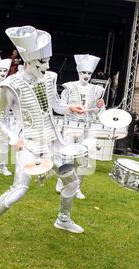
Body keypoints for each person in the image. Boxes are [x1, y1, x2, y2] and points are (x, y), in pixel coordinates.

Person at [0, 25, 85, 250]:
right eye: (42, 62)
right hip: (29, 143)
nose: (47, 66)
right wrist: (15, 139)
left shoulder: (50, 79)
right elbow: (0, 119)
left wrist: (70, 108)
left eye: (47, 61)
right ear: (28, 60)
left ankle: (63, 219)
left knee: (71, 181)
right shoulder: (10, 85)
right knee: (18, 191)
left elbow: (54, 106)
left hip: (52, 142)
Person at [55, 54, 105, 199]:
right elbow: (60, 105)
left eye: (89, 73)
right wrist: (70, 108)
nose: (86, 75)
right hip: (70, 126)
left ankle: (77, 188)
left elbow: (99, 111)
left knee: (84, 159)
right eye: (84, 72)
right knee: (67, 157)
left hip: (86, 128)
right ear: (79, 72)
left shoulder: (97, 90)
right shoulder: (69, 87)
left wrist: (100, 106)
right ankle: (62, 181)